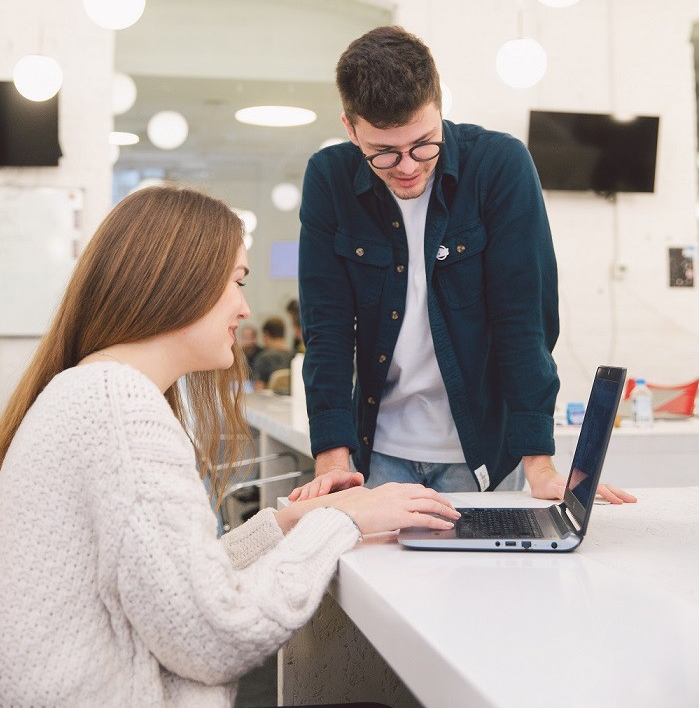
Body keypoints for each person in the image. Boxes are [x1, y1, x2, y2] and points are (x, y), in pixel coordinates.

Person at [0, 185, 459, 707]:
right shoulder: (122, 411)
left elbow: (175, 583)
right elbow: (215, 636)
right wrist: (345, 522)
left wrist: (291, 523)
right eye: (236, 282)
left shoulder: (91, 390)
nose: (243, 308)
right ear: (179, 282)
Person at [291, 26, 636, 507]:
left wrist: (540, 464)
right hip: (379, 452)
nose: (408, 167)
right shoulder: (328, 179)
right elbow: (326, 329)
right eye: (384, 153)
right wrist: (332, 464)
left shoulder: (498, 166)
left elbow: (524, 321)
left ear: (439, 106)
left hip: (478, 454)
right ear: (351, 130)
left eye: (423, 143)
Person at [251, 316, 294, 390]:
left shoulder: (263, 358)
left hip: (270, 401)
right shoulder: (296, 355)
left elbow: (258, 389)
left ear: (266, 334)